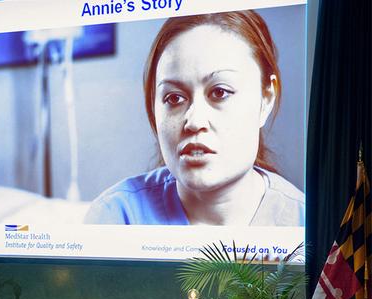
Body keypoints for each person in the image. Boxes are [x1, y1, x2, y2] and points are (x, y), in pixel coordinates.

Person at [85, 10, 304, 226]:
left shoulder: (307, 223)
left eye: (220, 93)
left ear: (266, 99)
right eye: (174, 98)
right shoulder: (116, 217)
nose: (194, 122)